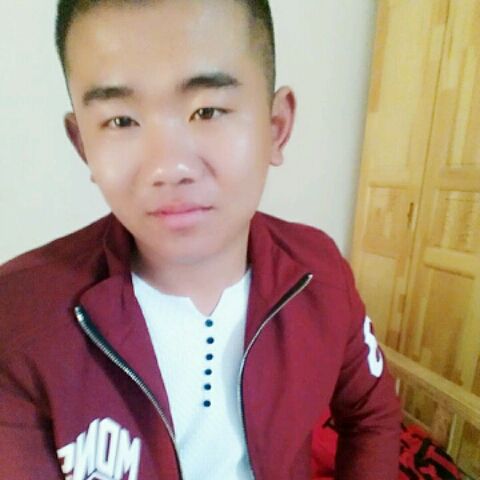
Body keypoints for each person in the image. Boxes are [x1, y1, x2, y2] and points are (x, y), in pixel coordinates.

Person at [0, 0, 401, 478]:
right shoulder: (19, 316)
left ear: (276, 128)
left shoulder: (320, 272)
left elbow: (372, 414)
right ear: (83, 145)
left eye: (207, 111)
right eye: (121, 121)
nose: (169, 167)